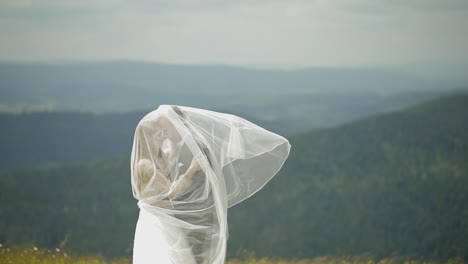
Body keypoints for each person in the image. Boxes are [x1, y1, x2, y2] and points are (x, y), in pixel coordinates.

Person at [131, 105, 291, 264]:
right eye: (157, 135)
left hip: (168, 219)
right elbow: (170, 193)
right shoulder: (146, 165)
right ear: (147, 138)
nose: (162, 136)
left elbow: (171, 156)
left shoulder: (158, 157)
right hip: (160, 221)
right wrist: (191, 170)